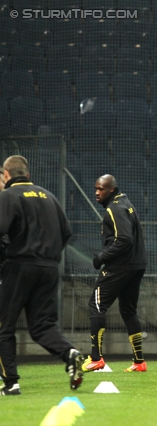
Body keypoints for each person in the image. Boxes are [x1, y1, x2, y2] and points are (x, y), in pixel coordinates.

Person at [0, 155, 84, 396]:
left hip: (19, 266)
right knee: (42, 326)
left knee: (4, 327)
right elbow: (67, 232)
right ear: (27, 174)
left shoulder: (7, 197)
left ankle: (11, 383)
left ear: (7, 175)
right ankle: (70, 354)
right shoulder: (49, 196)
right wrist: (47, 255)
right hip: (49, 268)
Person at [83, 175, 148, 373]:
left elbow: (124, 239)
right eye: (96, 188)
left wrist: (101, 257)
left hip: (120, 266)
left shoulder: (114, 208)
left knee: (96, 305)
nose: (96, 192)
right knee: (128, 311)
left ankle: (96, 358)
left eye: (101, 189)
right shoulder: (126, 203)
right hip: (136, 265)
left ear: (111, 189)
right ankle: (139, 362)